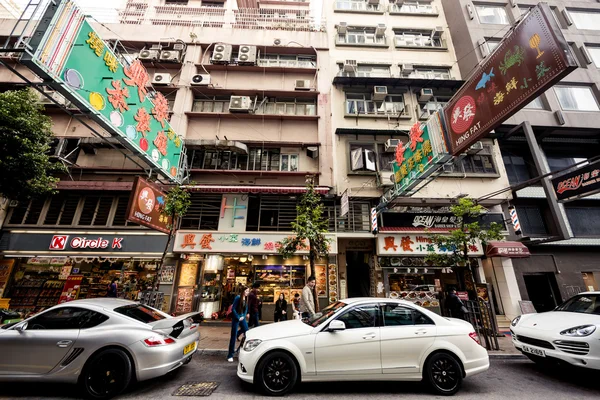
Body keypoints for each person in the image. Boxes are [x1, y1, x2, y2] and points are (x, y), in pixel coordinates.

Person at [227, 286, 249, 362]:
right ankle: (230, 355)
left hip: (242, 317)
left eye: (248, 291)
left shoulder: (246, 298)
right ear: (243, 291)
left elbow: (246, 308)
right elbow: (233, 308)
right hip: (236, 318)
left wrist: (243, 316)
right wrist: (238, 317)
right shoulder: (238, 298)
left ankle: (239, 349)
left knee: (246, 331)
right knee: (233, 336)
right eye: (246, 291)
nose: (247, 293)